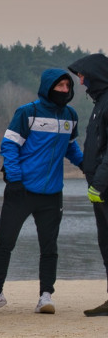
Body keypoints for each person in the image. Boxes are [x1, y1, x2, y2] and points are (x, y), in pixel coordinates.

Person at [0, 69, 83, 316]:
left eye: (68, 86)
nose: (65, 90)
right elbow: (10, 146)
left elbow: (71, 148)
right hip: (21, 190)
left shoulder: (71, 115)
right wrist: (14, 180)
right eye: (60, 86)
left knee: (49, 246)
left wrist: (86, 165)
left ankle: (46, 295)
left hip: (53, 193)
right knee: (5, 242)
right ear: (48, 87)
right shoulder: (28, 112)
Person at [70, 54, 108, 317]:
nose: (80, 81)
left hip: (104, 187)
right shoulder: (100, 102)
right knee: (105, 244)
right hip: (100, 188)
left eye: (82, 75)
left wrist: (99, 183)